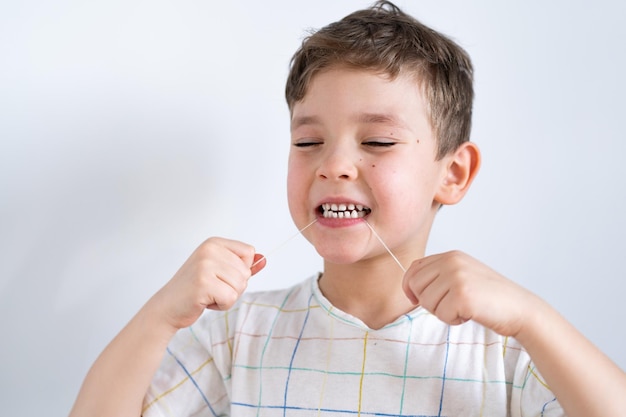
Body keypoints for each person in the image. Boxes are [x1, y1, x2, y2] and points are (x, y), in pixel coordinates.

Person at [69, 1, 626, 416]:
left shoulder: (505, 355)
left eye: (378, 143)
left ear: (452, 174)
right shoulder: (237, 337)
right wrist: (161, 313)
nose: (333, 165)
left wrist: (535, 319)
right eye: (308, 142)